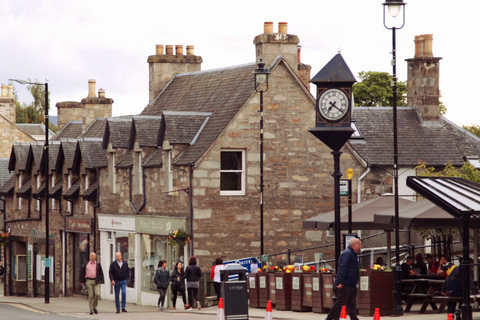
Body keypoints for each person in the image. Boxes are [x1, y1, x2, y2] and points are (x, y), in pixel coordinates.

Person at [323, 238, 361, 320]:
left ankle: (354, 318)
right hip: (346, 284)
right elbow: (343, 267)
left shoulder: (352, 254)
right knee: (340, 303)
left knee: (352, 304)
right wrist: (340, 281)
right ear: (354, 245)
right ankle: (329, 318)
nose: (360, 247)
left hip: (351, 284)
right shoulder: (348, 253)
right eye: (359, 244)